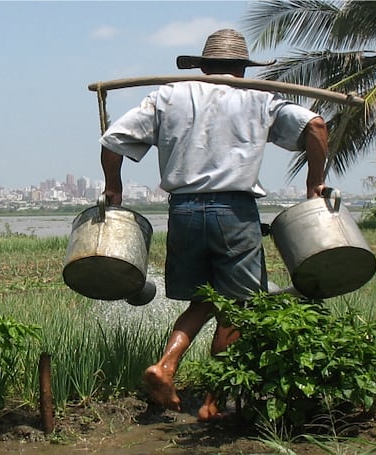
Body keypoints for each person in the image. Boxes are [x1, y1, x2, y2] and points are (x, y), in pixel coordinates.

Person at [99, 29, 328, 421]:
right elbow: (317, 127)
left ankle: (169, 366)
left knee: (206, 298)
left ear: (203, 67)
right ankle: (212, 401)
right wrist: (314, 184)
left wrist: (114, 189)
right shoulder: (258, 96)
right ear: (242, 68)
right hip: (233, 211)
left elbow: (113, 139)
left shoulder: (168, 96)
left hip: (183, 212)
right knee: (236, 307)